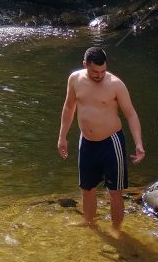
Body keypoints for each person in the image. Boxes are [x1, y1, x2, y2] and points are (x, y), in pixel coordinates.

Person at [57, 46, 145, 229]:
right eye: (95, 71)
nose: (99, 75)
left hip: (111, 142)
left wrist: (139, 144)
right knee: (87, 188)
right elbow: (68, 108)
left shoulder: (116, 84)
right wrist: (62, 137)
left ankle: (116, 229)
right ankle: (88, 222)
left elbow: (131, 114)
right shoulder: (75, 79)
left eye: (103, 70)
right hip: (87, 142)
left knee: (115, 191)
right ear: (85, 65)